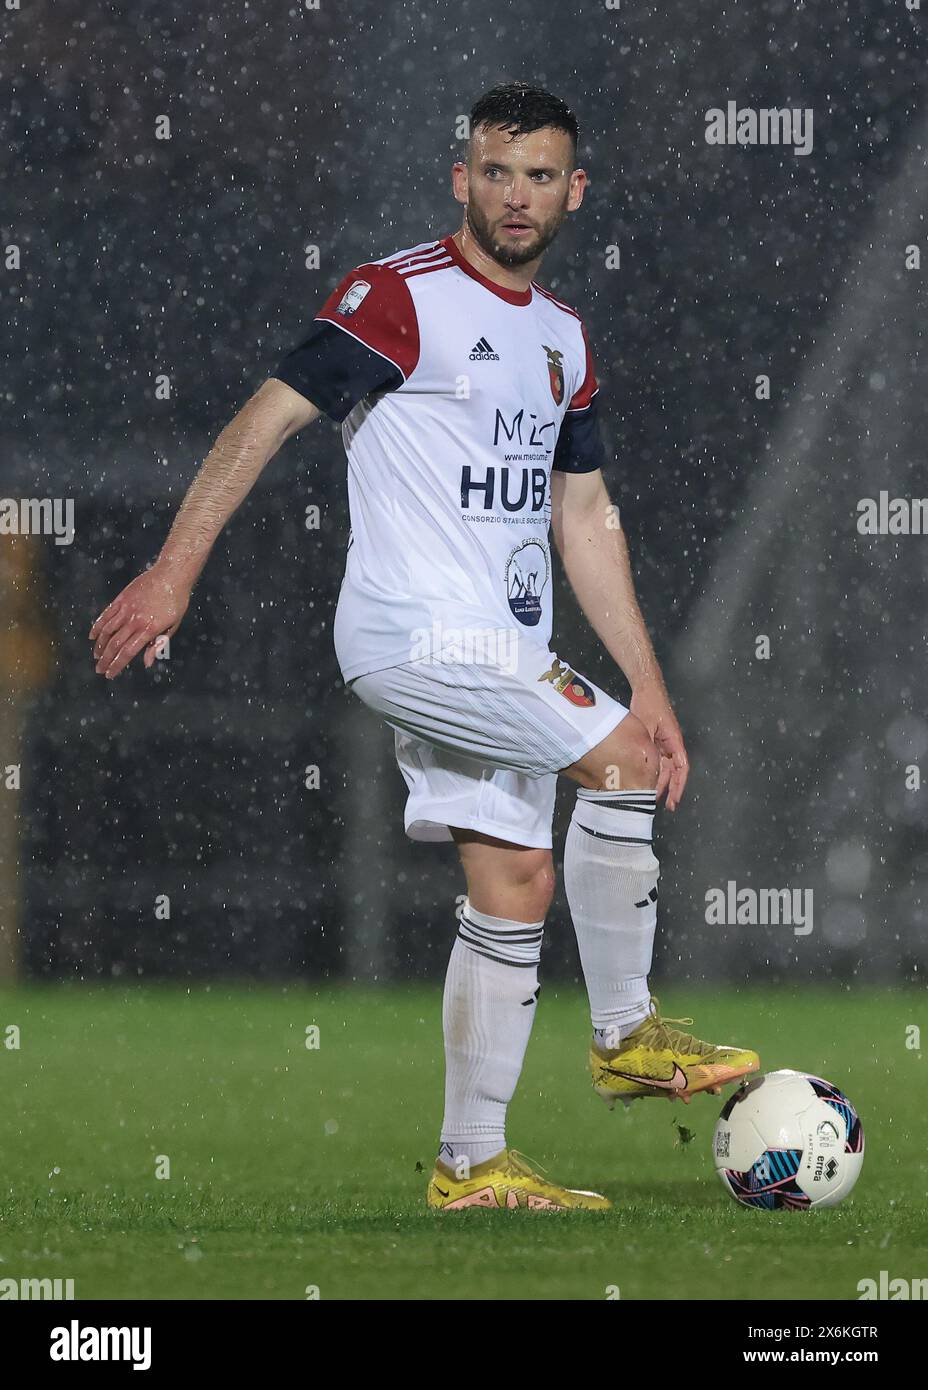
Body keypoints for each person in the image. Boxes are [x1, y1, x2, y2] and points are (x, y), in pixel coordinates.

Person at [89, 82, 759, 1213]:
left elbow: (583, 516)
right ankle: (625, 1034)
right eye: (495, 171)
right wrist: (174, 570)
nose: (515, 195)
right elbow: (263, 418)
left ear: (573, 191)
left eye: (539, 174)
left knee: (515, 879)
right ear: (461, 177)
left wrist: (647, 685)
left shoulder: (561, 339)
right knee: (619, 774)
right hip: (419, 634)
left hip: (499, 646)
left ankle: (470, 1164)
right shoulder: (396, 297)